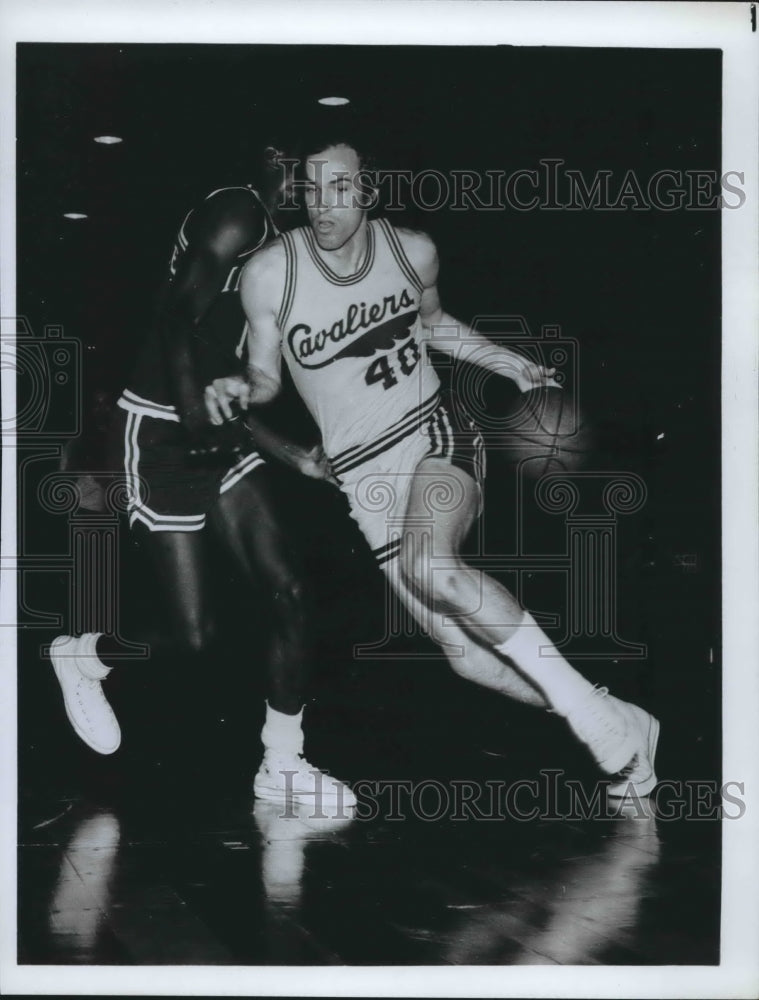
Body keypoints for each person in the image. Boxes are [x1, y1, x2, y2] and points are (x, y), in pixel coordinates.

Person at [206, 131, 659, 801]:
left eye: (340, 187)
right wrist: (243, 388)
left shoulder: (410, 250)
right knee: (467, 658)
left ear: (368, 190)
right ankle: (622, 719)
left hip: (433, 433)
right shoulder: (270, 273)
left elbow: (436, 324)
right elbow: (265, 375)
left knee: (430, 564)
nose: (323, 203)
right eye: (310, 188)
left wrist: (507, 362)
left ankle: (595, 722)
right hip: (362, 476)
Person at [49, 145, 356, 807]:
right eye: (297, 169)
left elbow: (235, 383)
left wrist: (296, 454)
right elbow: (175, 313)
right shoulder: (237, 211)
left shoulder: (287, 256)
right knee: (193, 638)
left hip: (214, 428)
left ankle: (282, 764)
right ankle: (86, 656)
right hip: (158, 431)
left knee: (289, 590)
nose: (307, 188)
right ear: (272, 162)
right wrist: (193, 416)